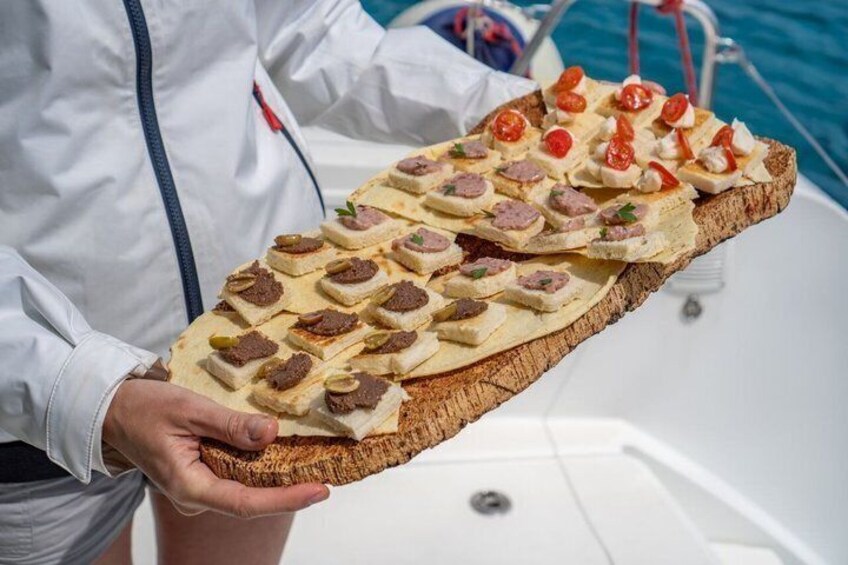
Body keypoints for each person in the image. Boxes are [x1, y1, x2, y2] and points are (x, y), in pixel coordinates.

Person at [0, 1, 536, 563]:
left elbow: (308, 29)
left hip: (278, 350)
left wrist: (517, 107)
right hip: (45, 391)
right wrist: (88, 392)